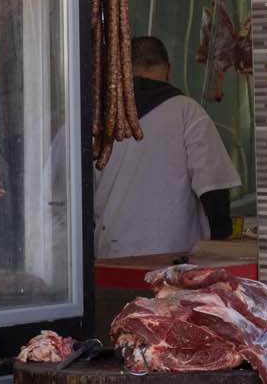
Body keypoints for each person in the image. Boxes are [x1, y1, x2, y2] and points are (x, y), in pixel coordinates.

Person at [93, 36, 239, 258]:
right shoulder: (188, 112)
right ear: (169, 70)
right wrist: (222, 245)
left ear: (122, 70)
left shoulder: (97, 118)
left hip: (111, 254)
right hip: (174, 258)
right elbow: (214, 192)